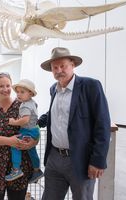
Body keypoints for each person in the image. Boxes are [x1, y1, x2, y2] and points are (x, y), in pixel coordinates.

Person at [38, 47, 111, 200]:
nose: (59, 70)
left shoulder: (91, 86)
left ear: (73, 65)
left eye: (62, 66)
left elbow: (102, 124)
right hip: (54, 158)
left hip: (80, 159)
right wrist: (34, 122)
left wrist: (98, 160)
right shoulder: (54, 89)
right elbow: (55, 113)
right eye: (54, 67)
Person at [0, 72, 37, 200]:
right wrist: (9, 141)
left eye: (8, 86)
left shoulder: (22, 106)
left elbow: (33, 126)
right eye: (1, 86)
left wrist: (33, 142)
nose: (5, 89)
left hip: (18, 166)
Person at [5, 79, 44, 183]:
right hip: (34, 130)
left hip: (27, 131)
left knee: (16, 145)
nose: (19, 94)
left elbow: (25, 120)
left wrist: (13, 122)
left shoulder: (25, 105)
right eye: (17, 92)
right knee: (31, 150)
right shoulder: (32, 102)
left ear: (30, 93)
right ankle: (37, 170)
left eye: (22, 92)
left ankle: (16, 170)